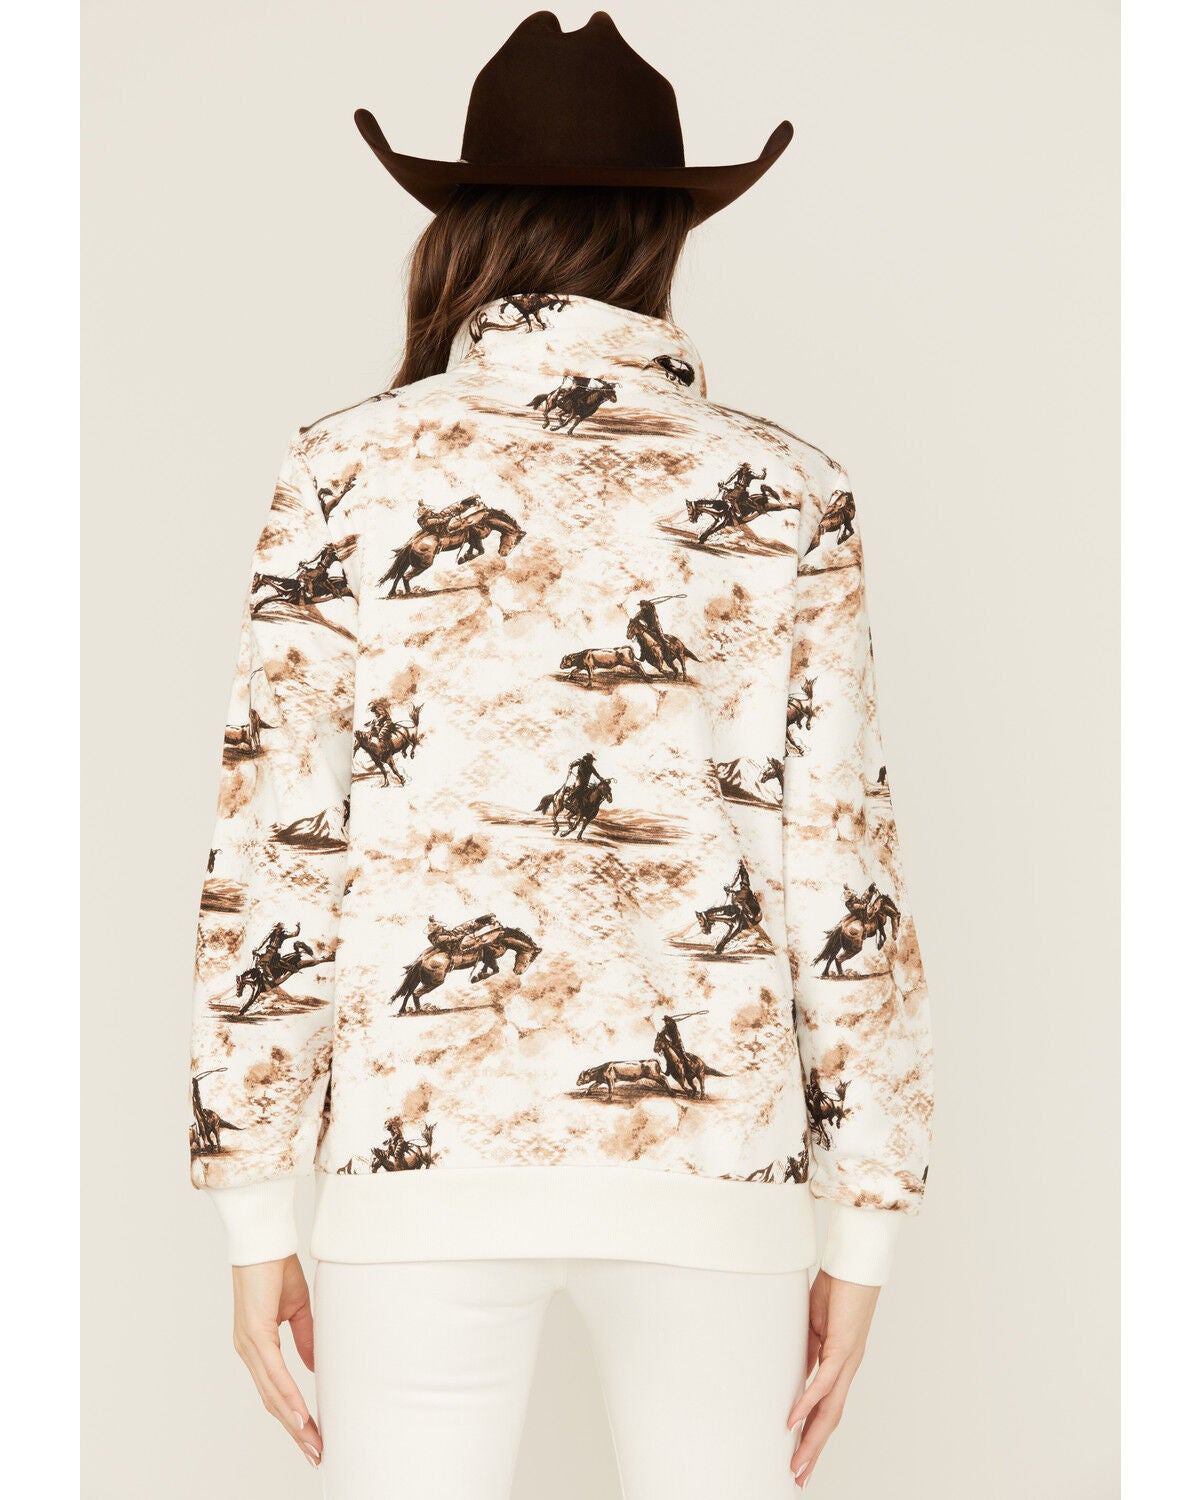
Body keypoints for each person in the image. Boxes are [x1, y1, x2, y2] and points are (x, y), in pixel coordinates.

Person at [189, 13, 933, 1497]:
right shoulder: (789, 486)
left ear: (464, 228)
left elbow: (277, 846)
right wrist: (864, 1225)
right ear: (664, 233)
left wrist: (253, 1205)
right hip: (717, 1177)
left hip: (417, 1163)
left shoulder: (344, 469)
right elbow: (839, 866)